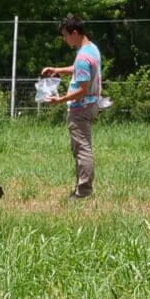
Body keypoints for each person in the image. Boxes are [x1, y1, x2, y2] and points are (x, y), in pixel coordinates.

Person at [39, 15, 105, 199]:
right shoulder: (91, 49)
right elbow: (79, 69)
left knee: (82, 148)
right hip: (90, 105)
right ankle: (81, 187)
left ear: (74, 33)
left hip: (81, 108)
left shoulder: (83, 56)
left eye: (65, 35)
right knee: (81, 146)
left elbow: (82, 90)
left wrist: (59, 100)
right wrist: (58, 70)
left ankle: (83, 192)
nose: (65, 39)